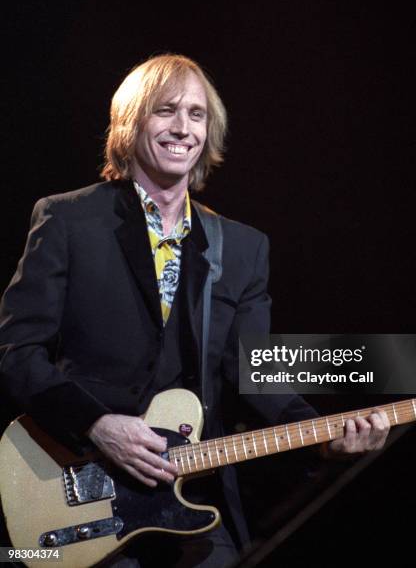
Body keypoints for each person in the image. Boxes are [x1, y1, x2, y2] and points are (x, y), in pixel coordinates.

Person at [0, 54, 390, 567]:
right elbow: (18, 352)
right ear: (131, 121)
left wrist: (325, 437)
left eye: (197, 114)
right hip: (82, 487)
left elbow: (256, 372)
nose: (183, 127)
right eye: (166, 111)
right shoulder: (68, 218)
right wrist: (97, 425)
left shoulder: (242, 247)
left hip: (193, 500)